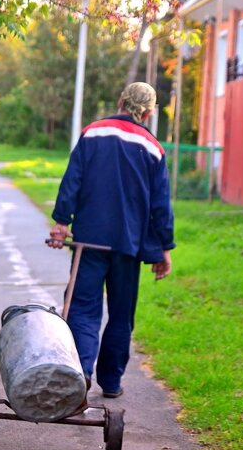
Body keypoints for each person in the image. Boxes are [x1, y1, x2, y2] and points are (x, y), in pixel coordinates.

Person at [49, 81, 175, 399]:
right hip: (128, 245)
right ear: (147, 112)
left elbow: (72, 179)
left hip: (89, 240)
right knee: (121, 313)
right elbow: (161, 206)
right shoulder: (153, 148)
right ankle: (112, 380)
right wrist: (164, 248)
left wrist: (62, 222)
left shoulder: (93, 133)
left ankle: (80, 374)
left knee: (82, 307)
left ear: (120, 101)